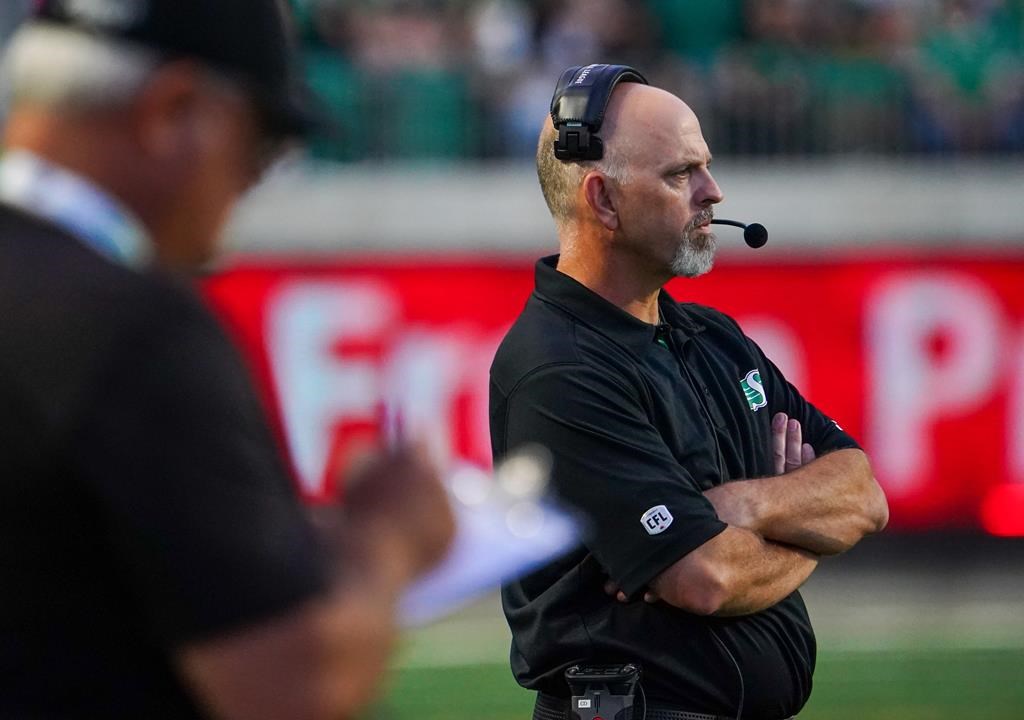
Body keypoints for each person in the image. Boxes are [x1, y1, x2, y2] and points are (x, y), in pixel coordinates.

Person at [0, 2, 454, 719]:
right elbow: (294, 685)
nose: (249, 184)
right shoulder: (131, 325)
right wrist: (388, 534)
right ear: (172, 111)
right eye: (263, 145)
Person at [489, 66, 889, 720]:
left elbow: (864, 496)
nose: (713, 191)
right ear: (603, 200)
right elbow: (705, 577)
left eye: (705, 166)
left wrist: (745, 505)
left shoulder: (712, 336)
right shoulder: (558, 368)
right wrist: (808, 529)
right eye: (681, 174)